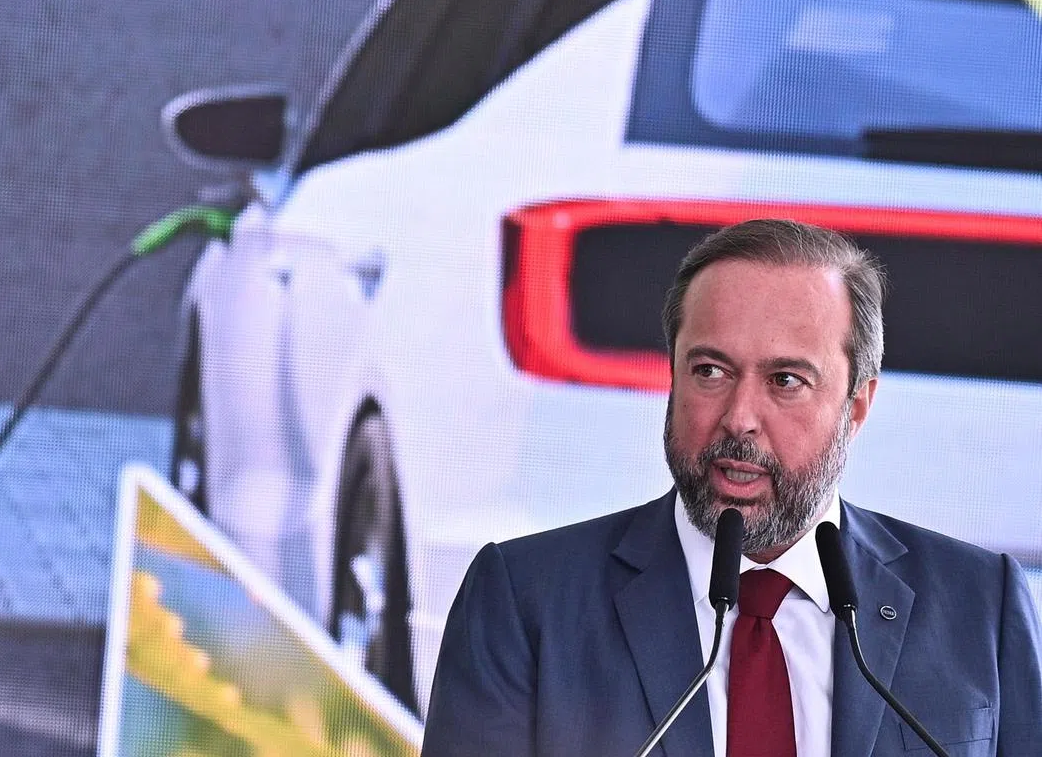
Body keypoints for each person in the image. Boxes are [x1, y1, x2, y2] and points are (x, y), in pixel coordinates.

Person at [420, 219, 1042, 756]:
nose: (739, 417)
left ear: (857, 405)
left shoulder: (979, 608)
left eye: (786, 380)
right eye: (711, 371)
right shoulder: (527, 601)